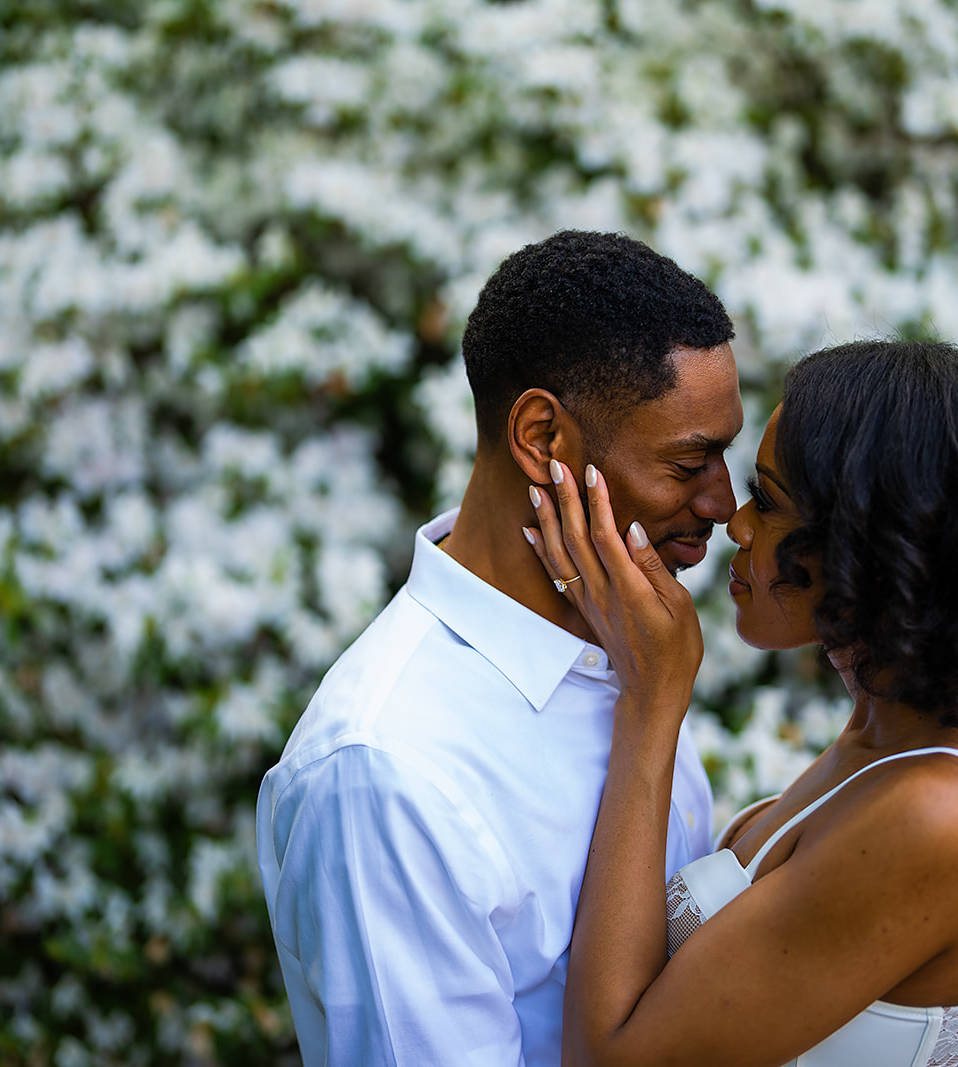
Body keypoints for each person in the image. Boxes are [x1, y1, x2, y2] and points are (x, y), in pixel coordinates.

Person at [524, 339, 958, 1066]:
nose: (735, 523)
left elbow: (608, 1058)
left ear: (877, 546)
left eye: (769, 501)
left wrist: (650, 703)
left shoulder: (940, 813)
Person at [255, 230, 746, 1065]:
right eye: (690, 462)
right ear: (544, 439)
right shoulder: (388, 769)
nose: (724, 503)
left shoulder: (636, 651)